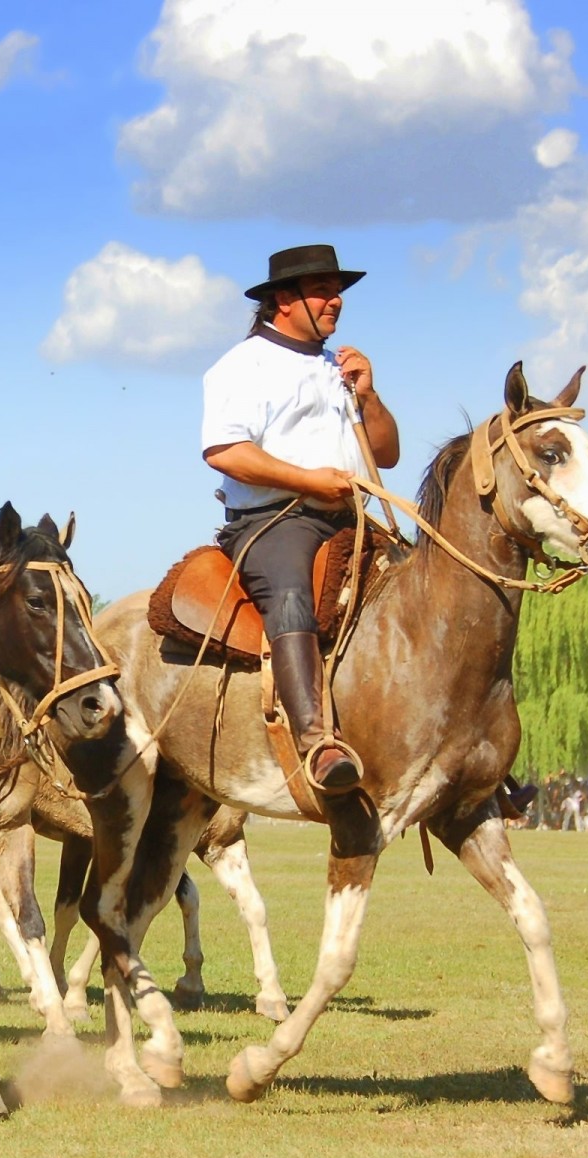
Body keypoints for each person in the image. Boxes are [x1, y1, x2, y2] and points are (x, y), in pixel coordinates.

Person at [202, 245, 400, 794]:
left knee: (428, 587)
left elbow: (386, 455)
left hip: (349, 516)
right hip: (274, 521)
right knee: (291, 595)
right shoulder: (242, 365)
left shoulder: (338, 367)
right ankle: (317, 743)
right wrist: (311, 481)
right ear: (284, 300)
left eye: (337, 291)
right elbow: (224, 451)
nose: (335, 301)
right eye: (322, 291)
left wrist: (370, 397)